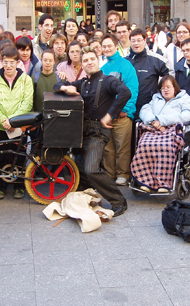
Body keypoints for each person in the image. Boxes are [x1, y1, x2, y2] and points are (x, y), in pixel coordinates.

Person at [53, 47, 131, 216]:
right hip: (81, 130)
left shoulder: (108, 80)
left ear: (98, 60)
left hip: (97, 131)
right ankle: (87, 198)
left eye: (92, 59)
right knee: (80, 167)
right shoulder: (82, 83)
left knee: (91, 168)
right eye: (85, 60)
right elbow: (57, 85)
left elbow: (126, 92)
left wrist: (110, 114)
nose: (89, 62)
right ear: (82, 63)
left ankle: (118, 201)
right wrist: (66, 88)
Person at [131, 75, 190, 192]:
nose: (165, 90)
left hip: (172, 129)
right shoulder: (156, 99)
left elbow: (188, 115)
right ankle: (146, 181)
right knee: (144, 145)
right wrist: (153, 121)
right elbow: (145, 110)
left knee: (166, 147)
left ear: (175, 88)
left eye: (168, 87)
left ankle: (163, 183)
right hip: (153, 129)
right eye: (162, 88)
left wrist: (163, 121)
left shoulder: (185, 99)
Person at [0, 46, 33, 200]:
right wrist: (3, 120)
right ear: (1, 62)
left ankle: (19, 186)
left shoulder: (26, 79)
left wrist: (12, 121)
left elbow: (27, 103)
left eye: (11, 62)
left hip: (18, 125)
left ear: (17, 63)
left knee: (19, 156)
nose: (8, 66)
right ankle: (0, 187)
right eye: (5, 62)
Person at [100, 34, 139, 186]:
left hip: (122, 114)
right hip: (107, 115)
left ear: (116, 46)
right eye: (104, 46)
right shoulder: (103, 68)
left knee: (122, 146)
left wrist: (126, 109)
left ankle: (123, 174)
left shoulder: (126, 65)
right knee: (108, 147)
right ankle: (109, 173)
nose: (107, 49)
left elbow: (132, 89)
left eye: (109, 45)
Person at [126, 29, 169, 117]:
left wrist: (162, 95)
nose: (136, 43)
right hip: (128, 108)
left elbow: (170, 75)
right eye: (133, 41)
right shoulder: (125, 61)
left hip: (149, 107)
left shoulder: (156, 59)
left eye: (139, 40)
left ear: (145, 40)